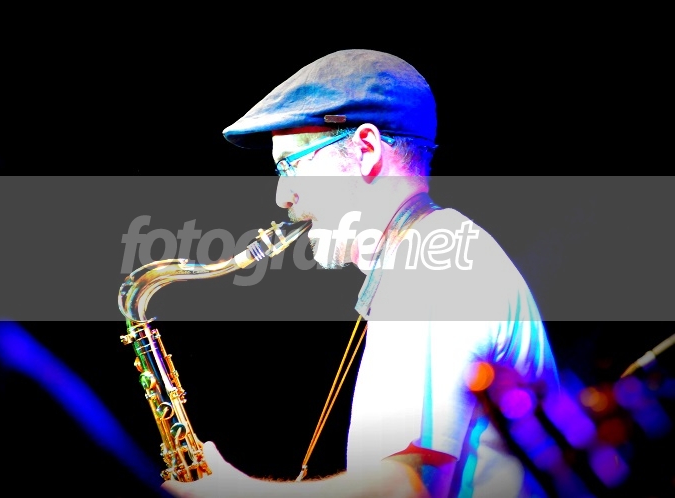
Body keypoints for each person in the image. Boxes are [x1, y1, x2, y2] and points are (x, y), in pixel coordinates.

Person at [161, 49, 560, 498]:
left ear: (366, 149)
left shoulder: (432, 264)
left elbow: (404, 490)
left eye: (290, 164)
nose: (282, 197)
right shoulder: (426, 256)